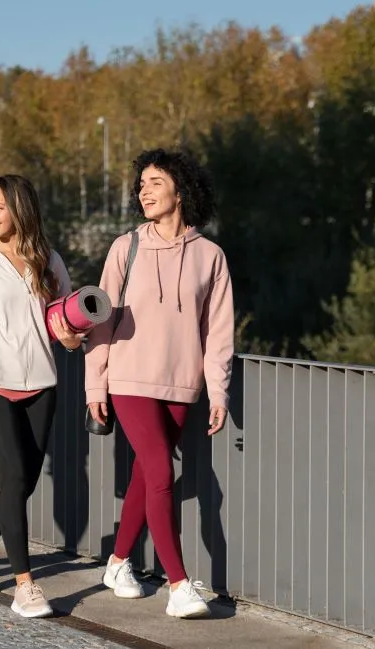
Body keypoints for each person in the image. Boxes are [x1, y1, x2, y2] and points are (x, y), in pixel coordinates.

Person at [85, 148, 234, 619]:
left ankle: (117, 561)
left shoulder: (210, 256)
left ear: (181, 189)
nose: (143, 191)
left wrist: (218, 390)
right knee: (162, 472)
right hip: (129, 378)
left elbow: (219, 332)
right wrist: (96, 387)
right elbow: (99, 325)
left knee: (145, 476)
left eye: (154, 182)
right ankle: (179, 584)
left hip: (182, 383)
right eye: (141, 184)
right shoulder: (124, 248)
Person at [0, 174, 82, 619]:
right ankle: (25, 586)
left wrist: (72, 338)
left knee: (22, 482)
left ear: (20, 209)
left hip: (42, 385)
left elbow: (65, 320)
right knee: (15, 479)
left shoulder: (48, 260)